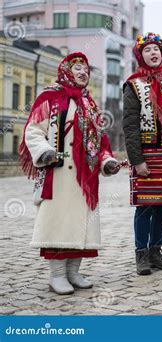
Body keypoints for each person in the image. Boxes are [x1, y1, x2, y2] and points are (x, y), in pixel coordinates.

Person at [19, 52, 120, 295]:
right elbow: (33, 130)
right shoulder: (50, 97)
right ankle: (56, 275)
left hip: (86, 178)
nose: (84, 72)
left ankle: (74, 272)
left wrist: (106, 162)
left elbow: (100, 142)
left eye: (86, 69)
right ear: (66, 70)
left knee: (81, 226)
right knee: (59, 224)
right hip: (59, 174)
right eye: (78, 68)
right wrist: (45, 152)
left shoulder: (90, 104)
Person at [122, 32, 162, 275]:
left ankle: (156, 250)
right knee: (145, 206)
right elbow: (129, 125)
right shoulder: (133, 85)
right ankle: (141, 254)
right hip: (148, 155)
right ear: (140, 55)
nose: (153, 53)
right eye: (147, 50)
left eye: (156, 49)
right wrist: (137, 160)